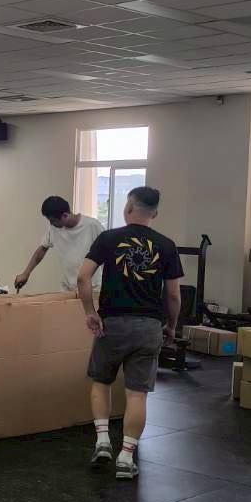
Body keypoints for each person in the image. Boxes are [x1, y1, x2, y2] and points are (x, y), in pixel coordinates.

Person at [76, 186, 182, 478]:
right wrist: (171, 325)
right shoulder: (166, 245)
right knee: (137, 395)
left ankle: (102, 441)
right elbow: (173, 296)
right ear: (155, 213)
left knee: (101, 382)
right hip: (149, 327)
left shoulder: (108, 238)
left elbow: (83, 277)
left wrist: (90, 312)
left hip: (111, 324)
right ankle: (125, 457)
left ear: (128, 208)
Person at [14, 196, 105, 294]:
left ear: (65, 215)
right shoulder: (54, 228)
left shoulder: (92, 226)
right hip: (67, 289)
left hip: (92, 289)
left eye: (53, 220)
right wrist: (26, 273)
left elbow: (108, 253)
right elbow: (42, 249)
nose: (51, 224)